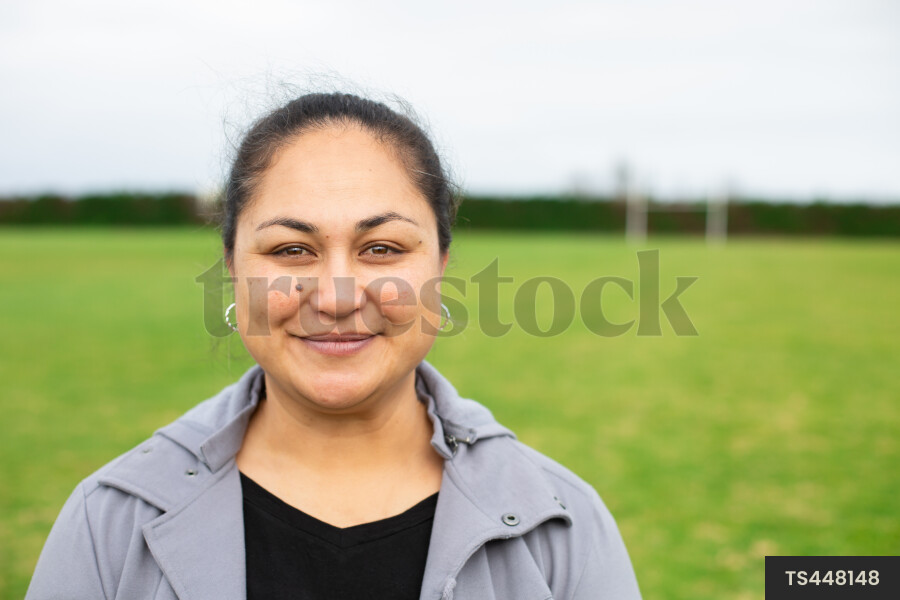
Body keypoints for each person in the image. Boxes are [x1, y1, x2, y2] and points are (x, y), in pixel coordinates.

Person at [26, 92, 641, 599]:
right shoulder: (109, 524)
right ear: (233, 269)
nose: (338, 296)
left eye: (383, 249)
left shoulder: (561, 527)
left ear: (442, 268)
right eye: (292, 250)